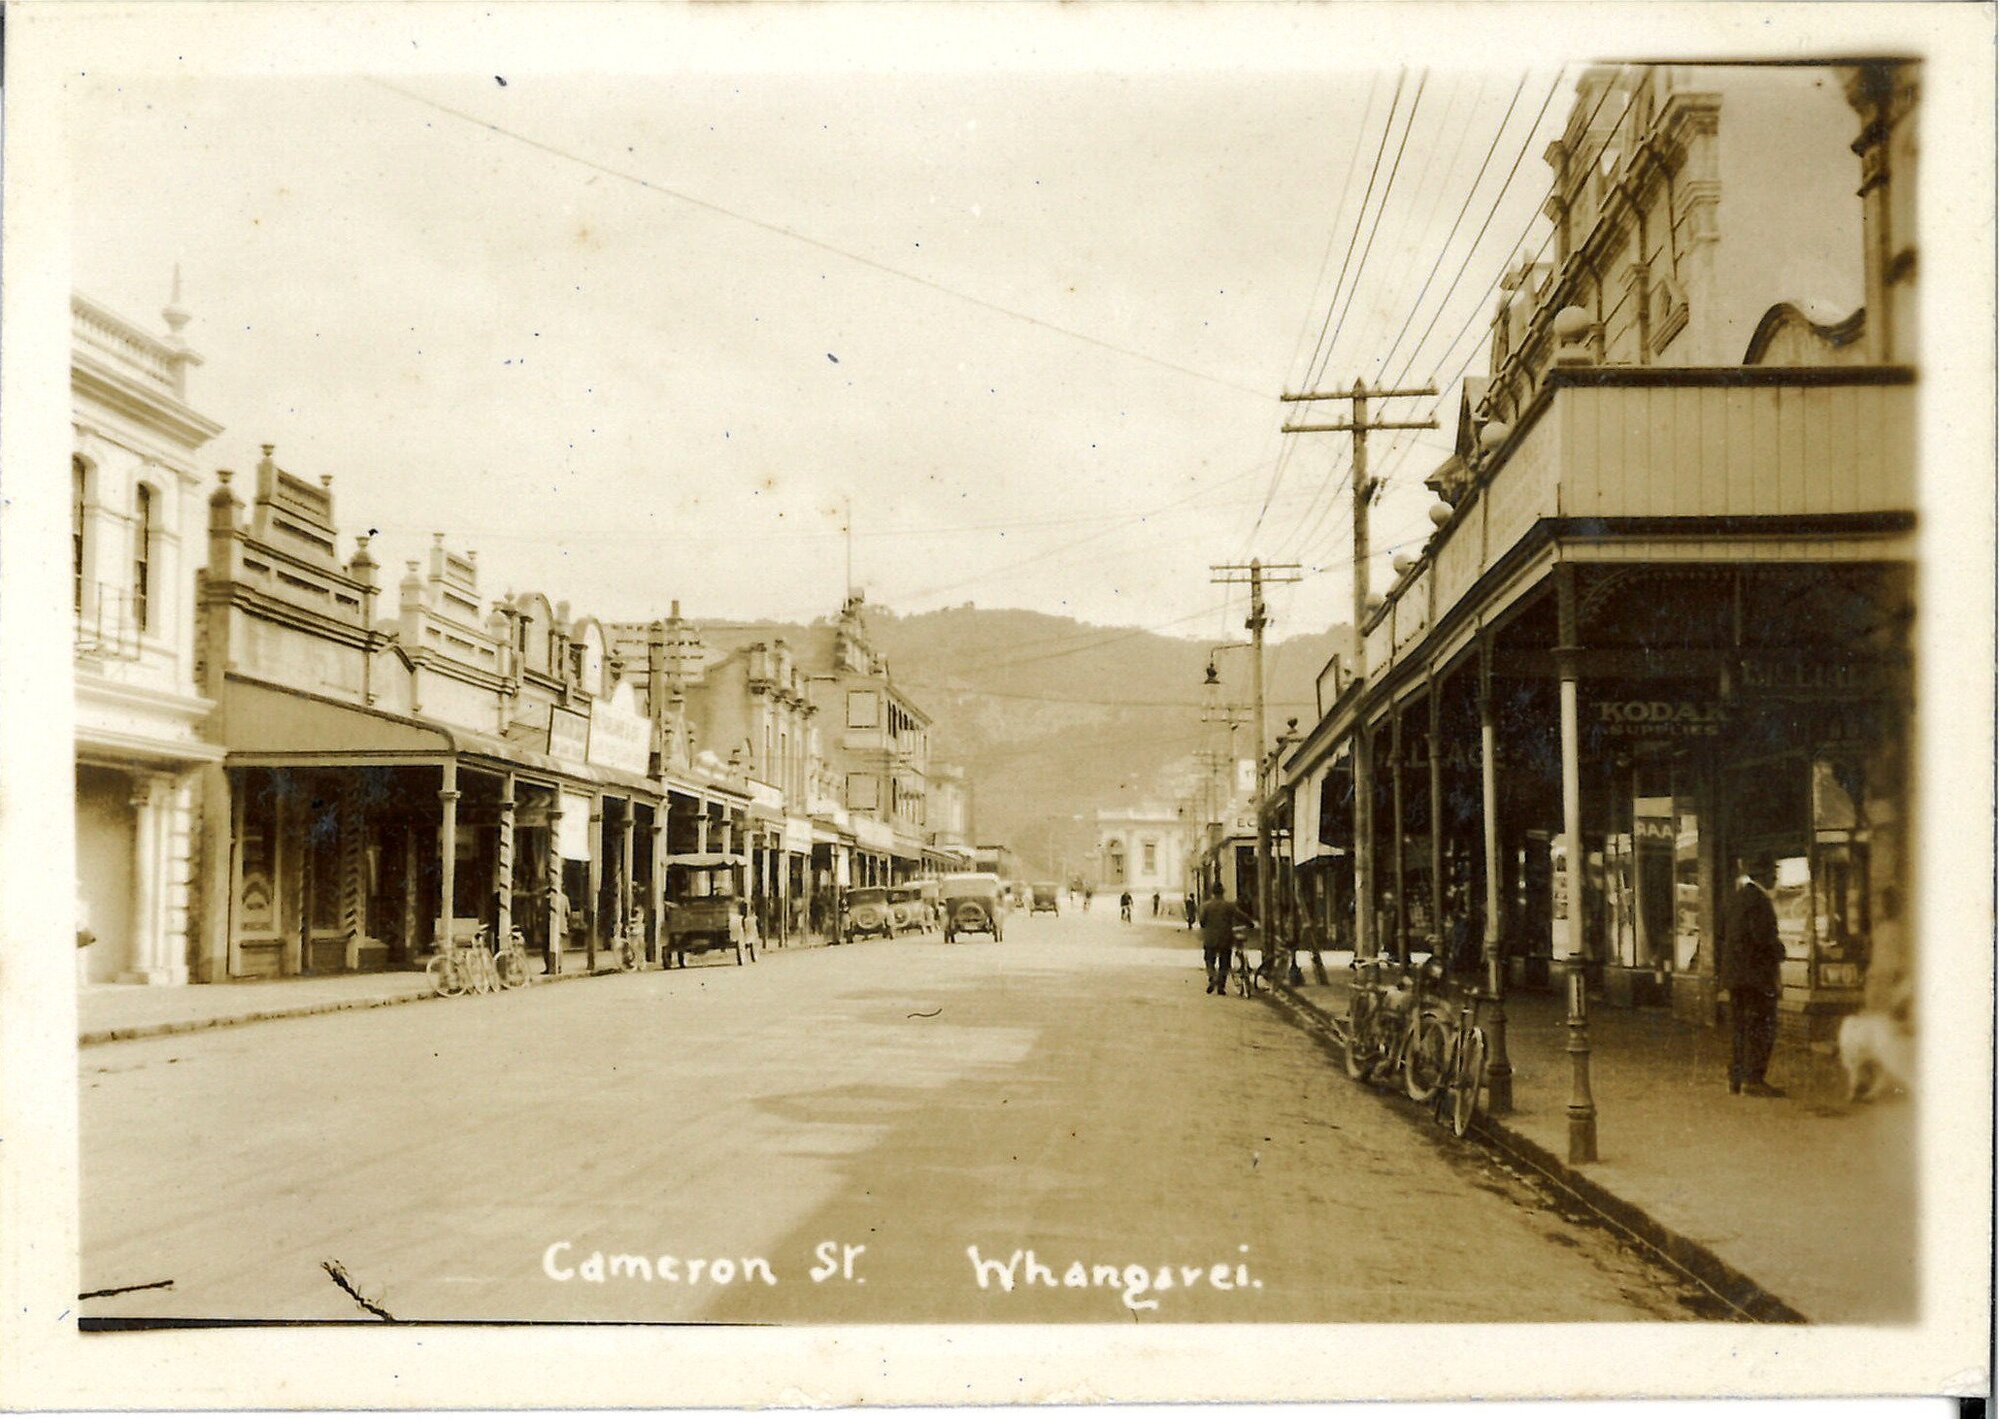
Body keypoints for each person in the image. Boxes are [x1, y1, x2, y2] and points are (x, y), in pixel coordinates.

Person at [1722, 854, 1786, 1097]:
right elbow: (1762, 938)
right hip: (1755, 977)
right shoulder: (1759, 901)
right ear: (1764, 875)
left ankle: (1736, 1079)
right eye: (1774, 873)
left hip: (1736, 977)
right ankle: (1754, 1080)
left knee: (1740, 1027)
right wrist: (1780, 950)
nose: (1776, 878)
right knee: (1760, 1026)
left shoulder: (1739, 898)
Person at [1198, 892, 1247, 996]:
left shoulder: (1206, 906)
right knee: (1224, 963)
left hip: (1210, 938)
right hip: (1225, 938)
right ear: (1223, 892)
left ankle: (1212, 977)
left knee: (1209, 960)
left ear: (1212, 893)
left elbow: (1202, 921)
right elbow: (1241, 916)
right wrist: (1250, 923)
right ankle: (1221, 987)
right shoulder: (1229, 906)